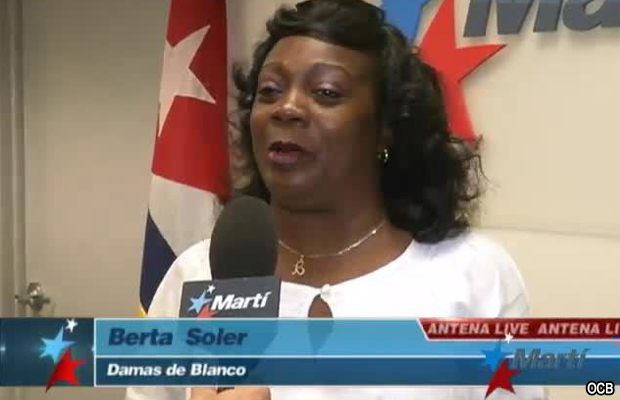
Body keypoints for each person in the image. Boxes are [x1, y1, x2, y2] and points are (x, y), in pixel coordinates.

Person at [127, 0, 547, 399]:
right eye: (270, 91)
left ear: (386, 127)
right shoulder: (195, 276)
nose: (286, 108)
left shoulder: (473, 277)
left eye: (326, 92)